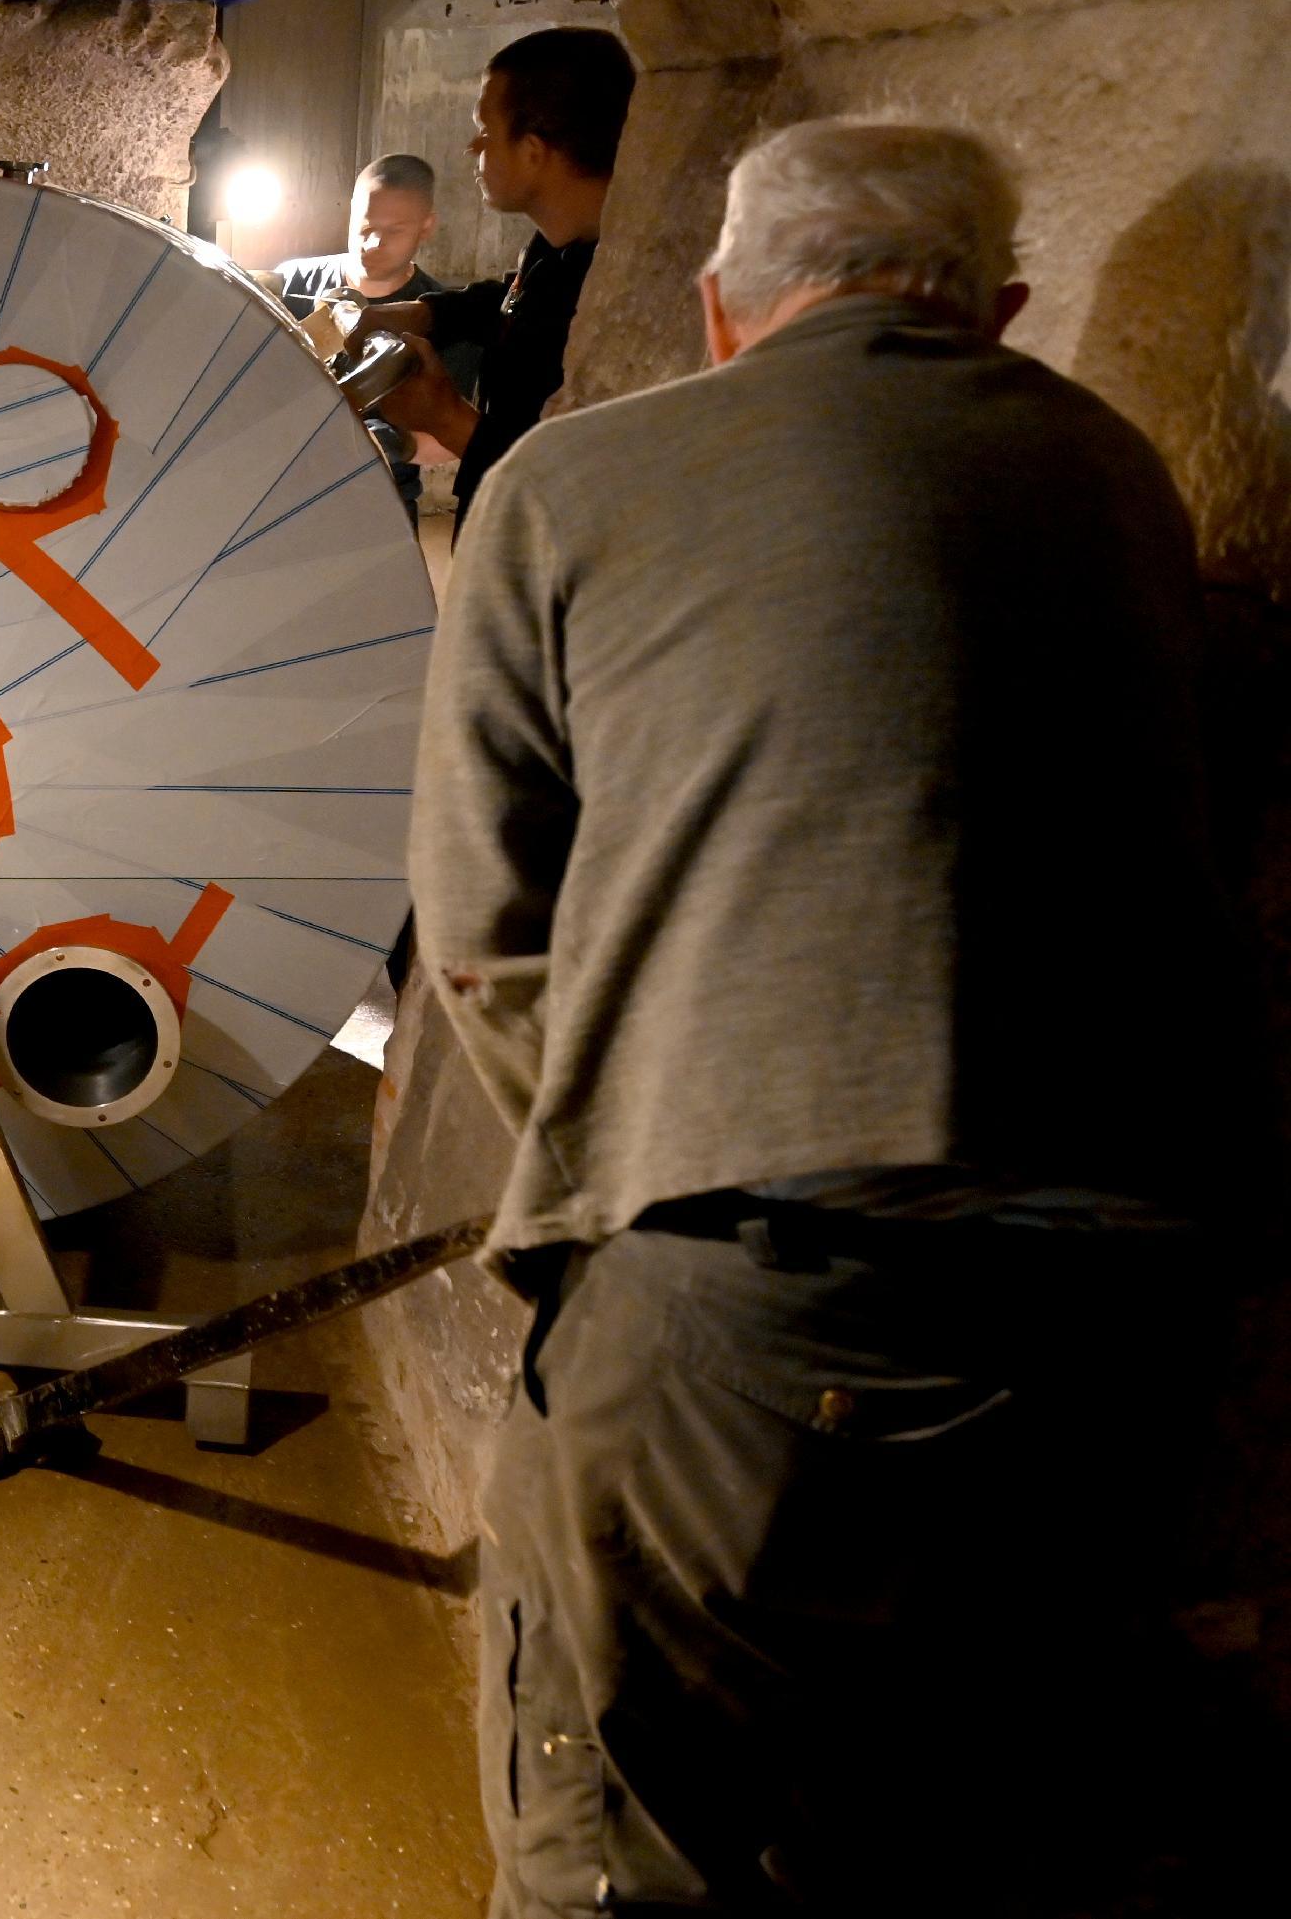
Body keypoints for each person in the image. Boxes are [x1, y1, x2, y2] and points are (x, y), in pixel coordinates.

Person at [411, 120, 1262, 1915]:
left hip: (750, 1287)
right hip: (1122, 1319)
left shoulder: (565, 487)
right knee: (947, 1834)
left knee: (626, 1841)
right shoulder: (1121, 477)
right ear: (1002, 310)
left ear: (721, 308)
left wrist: (630, 1144)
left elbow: (488, 934)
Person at [357, 27, 636, 532]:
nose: (472, 147)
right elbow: (516, 298)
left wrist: (446, 416)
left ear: (533, 150)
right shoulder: (562, 247)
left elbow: (569, 476)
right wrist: (426, 311)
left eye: (484, 130)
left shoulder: (618, 294)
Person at [271, 153, 458, 516]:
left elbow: (449, 437)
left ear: (426, 226)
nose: (373, 243)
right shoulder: (291, 282)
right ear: (352, 209)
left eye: (394, 231)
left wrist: (384, 443)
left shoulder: (442, 315)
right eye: (367, 225)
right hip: (281, 495)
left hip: (380, 503)